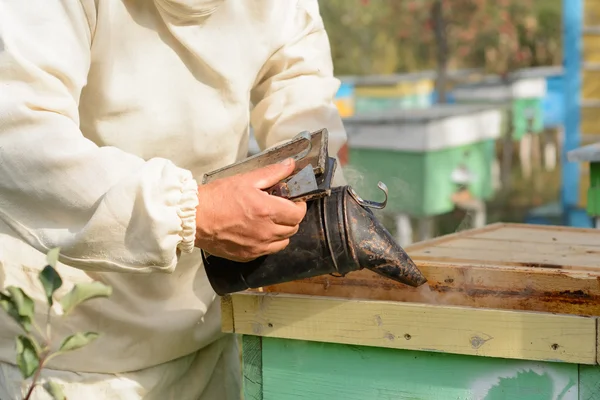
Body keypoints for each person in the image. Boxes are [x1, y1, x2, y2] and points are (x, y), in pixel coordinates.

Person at [0, 0, 348, 398]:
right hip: (65, 359)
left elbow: (302, 91)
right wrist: (192, 212)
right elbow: (18, 137)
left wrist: (322, 191)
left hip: (205, 335)